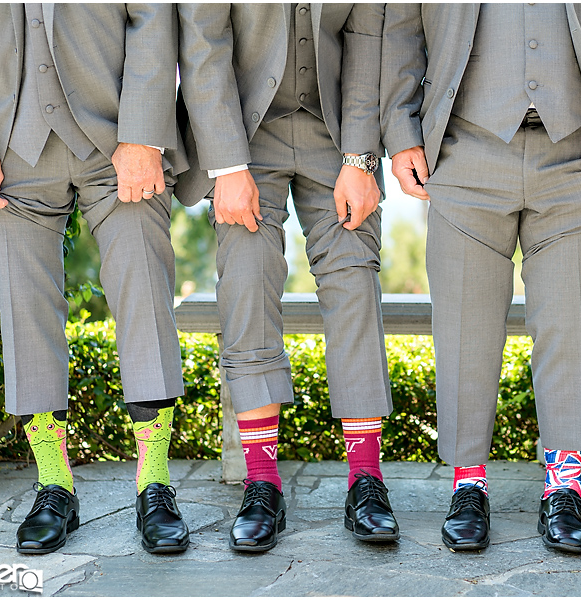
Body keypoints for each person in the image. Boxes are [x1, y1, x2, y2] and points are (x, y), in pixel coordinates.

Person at [380, 3, 581, 552]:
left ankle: (564, 488)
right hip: (464, 150)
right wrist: (401, 130)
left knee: (568, 327)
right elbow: (402, 28)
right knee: (464, 329)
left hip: (576, 154)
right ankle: (467, 485)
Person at [0, 4, 191, 554]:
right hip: (4, 149)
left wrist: (144, 134)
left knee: (145, 299)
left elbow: (152, 16)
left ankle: (154, 482)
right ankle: (54, 484)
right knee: (25, 313)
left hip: (118, 143)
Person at [176, 3, 398, 552]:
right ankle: (262, 481)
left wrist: (363, 160)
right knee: (246, 284)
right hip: (246, 136)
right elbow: (204, 45)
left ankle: (365, 480)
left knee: (353, 279)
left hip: (338, 135)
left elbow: (368, 40)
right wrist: (225, 167)